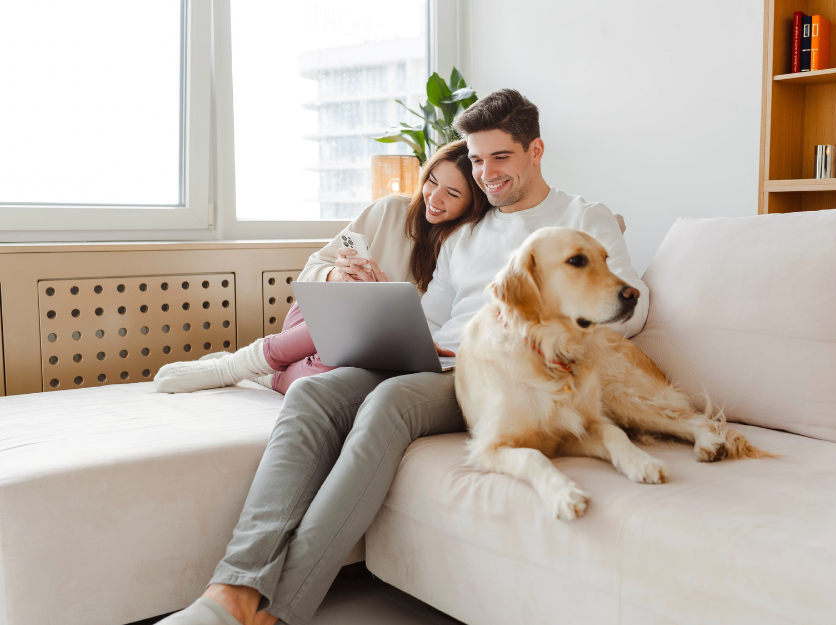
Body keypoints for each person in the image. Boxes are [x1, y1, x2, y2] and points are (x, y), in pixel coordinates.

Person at [161, 89, 649, 625]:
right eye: (478, 158)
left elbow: (633, 307)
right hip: (439, 358)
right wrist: (390, 315)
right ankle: (231, 589)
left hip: (508, 375)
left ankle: (274, 612)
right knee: (314, 391)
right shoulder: (469, 233)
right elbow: (434, 317)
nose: (487, 173)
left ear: (535, 151)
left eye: (500, 157)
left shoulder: (583, 217)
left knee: (391, 400)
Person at [153, 140, 488, 396]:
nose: (434, 197)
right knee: (349, 311)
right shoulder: (388, 211)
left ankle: (268, 374)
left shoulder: (463, 246)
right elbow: (312, 270)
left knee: (329, 382)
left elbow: (427, 328)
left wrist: (387, 305)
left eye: (452, 193)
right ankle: (232, 367)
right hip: (312, 321)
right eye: (431, 181)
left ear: (473, 202)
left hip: (360, 350)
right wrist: (336, 275)